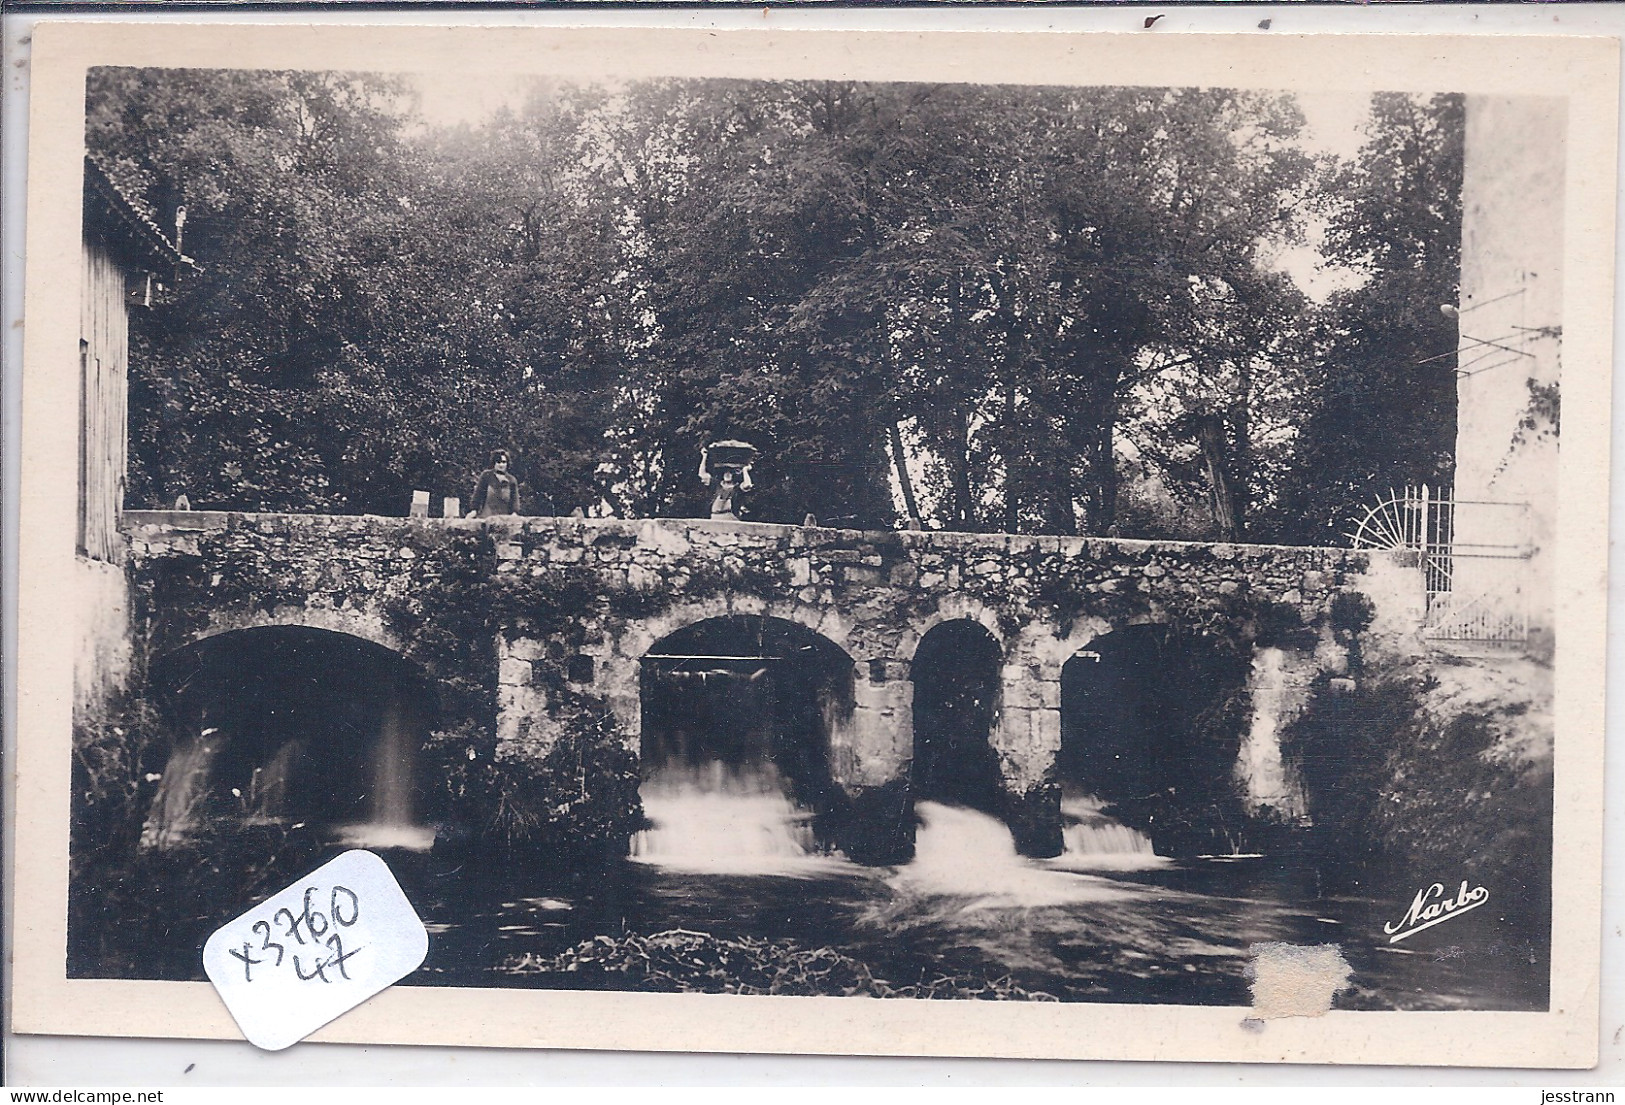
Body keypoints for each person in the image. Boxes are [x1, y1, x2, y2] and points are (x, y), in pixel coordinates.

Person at [467, 449, 520, 518]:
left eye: (504, 462)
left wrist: (514, 514)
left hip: (504, 519)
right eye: (498, 462)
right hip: (487, 517)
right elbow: (478, 495)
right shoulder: (486, 476)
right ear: (494, 463)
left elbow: (515, 501)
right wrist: (474, 510)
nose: (501, 465)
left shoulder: (512, 480)